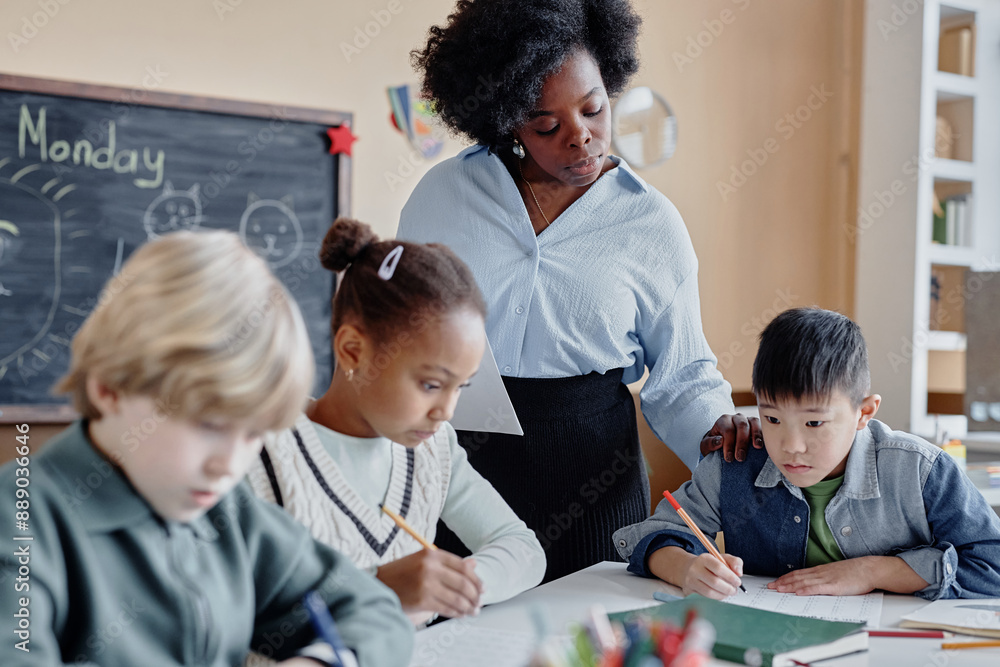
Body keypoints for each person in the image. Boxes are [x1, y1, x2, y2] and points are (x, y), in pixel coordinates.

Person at [398, 0, 759, 582]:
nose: (581, 138)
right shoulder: (442, 198)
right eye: (547, 125)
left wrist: (726, 434)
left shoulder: (652, 225)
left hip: (593, 481)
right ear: (506, 119)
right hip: (462, 479)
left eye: (594, 109)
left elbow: (682, 377)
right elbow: (403, 332)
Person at [0, 230, 413, 667]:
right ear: (110, 389)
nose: (230, 466)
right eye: (208, 426)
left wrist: (323, 661)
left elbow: (375, 611)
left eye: (254, 433)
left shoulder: (229, 512)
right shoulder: (20, 522)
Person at [246, 217, 546, 625]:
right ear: (353, 351)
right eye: (431, 384)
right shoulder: (261, 456)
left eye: (461, 387)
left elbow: (523, 550)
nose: (447, 411)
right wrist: (381, 588)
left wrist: (453, 586)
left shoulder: (434, 449)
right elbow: (239, 617)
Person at [613, 307, 1000, 600]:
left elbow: (991, 566)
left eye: (814, 424)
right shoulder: (737, 462)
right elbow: (655, 535)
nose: (790, 446)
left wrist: (872, 572)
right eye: (772, 418)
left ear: (864, 412)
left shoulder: (921, 471)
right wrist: (685, 569)